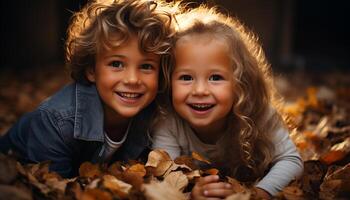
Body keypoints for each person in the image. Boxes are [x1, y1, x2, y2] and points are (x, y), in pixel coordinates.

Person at [0, 0, 174, 178]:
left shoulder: (156, 114)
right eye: (116, 64)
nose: (132, 79)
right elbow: (53, 188)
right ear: (91, 70)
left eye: (146, 66)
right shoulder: (57, 121)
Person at [152, 5, 303, 199]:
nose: (199, 91)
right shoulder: (168, 122)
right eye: (186, 78)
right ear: (168, 82)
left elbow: (291, 161)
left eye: (215, 78)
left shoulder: (259, 112)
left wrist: (258, 194)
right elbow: (165, 176)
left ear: (240, 84)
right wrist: (192, 194)